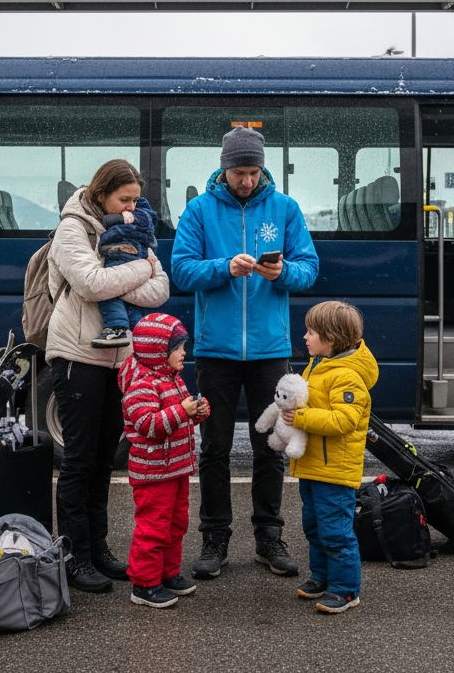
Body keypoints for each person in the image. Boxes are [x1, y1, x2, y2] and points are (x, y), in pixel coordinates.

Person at [169, 126, 320, 580]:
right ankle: (215, 538)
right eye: (239, 172)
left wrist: (282, 273)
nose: (247, 181)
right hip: (215, 351)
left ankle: (269, 536)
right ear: (224, 167)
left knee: (271, 446)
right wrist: (222, 267)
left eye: (254, 172)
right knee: (213, 447)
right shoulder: (198, 210)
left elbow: (309, 269)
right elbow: (181, 269)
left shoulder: (285, 208)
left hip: (270, 352)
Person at [46, 159, 171, 594]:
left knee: (103, 462)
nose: (133, 208)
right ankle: (74, 555)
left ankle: (98, 549)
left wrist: (119, 280)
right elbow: (90, 284)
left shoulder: (131, 228)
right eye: (125, 200)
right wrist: (139, 271)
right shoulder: (72, 230)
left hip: (119, 359)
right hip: (77, 356)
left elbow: (163, 289)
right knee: (79, 463)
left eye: (137, 200)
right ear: (102, 196)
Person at [285, 300, 377, 615]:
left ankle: (346, 590)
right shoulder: (320, 364)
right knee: (314, 526)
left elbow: (343, 421)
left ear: (331, 338)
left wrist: (299, 417)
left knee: (336, 531)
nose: (305, 337)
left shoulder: (348, 376)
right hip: (313, 466)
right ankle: (322, 577)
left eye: (311, 332)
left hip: (335, 470)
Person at [117, 312, 210, 608]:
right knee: (153, 527)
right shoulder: (140, 384)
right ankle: (144, 584)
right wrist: (183, 411)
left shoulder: (172, 379)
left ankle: (167, 573)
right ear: (159, 351)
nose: (184, 352)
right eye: (178, 347)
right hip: (153, 472)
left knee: (176, 523)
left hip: (175, 468)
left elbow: (175, 422)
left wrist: (195, 414)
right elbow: (150, 425)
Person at [92, 196, 159, 348]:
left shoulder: (140, 213)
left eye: (134, 201)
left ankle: (116, 328)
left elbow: (148, 218)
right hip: (127, 253)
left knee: (108, 292)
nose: (130, 207)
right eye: (125, 201)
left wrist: (119, 217)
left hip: (122, 252)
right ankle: (137, 332)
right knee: (131, 303)